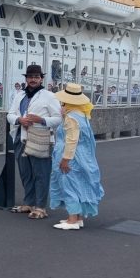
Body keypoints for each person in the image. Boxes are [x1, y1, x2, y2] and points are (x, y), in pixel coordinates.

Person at [7, 64, 61, 220]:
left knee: (41, 173)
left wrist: (41, 120)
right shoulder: (19, 95)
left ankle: (40, 207)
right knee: (26, 173)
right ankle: (29, 203)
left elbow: (58, 119)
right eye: (30, 77)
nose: (33, 79)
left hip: (39, 138)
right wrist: (19, 119)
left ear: (41, 79)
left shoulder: (49, 96)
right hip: (20, 137)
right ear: (26, 78)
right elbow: (9, 114)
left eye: (36, 77)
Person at [50, 83, 104, 230]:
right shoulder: (81, 115)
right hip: (82, 155)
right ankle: (78, 217)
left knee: (68, 184)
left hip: (71, 156)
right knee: (78, 184)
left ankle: (72, 219)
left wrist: (65, 159)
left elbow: (71, 140)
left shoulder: (71, 118)